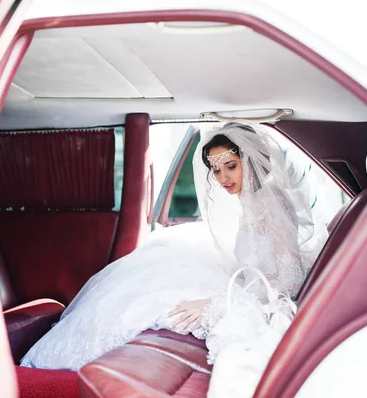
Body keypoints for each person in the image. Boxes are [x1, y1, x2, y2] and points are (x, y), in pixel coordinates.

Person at [20, 121, 326, 371]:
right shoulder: (253, 201)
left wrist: (219, 302)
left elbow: (290, 278)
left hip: (264, 296)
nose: (222, 178)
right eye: (216, 170)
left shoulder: (271, 204)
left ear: (251, 160)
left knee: (162, 299)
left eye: (230, 166)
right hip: (250, 283)